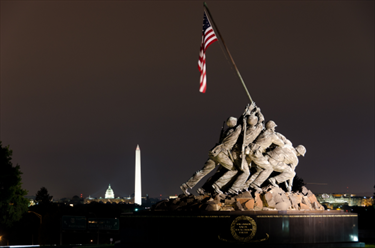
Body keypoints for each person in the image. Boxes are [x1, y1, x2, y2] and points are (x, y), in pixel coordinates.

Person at [180, 116, 242, 196]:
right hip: (222, 154)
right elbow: (241, 125)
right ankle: (217, 185)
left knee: (203, 171)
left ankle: (186, 185)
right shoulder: (235, 131)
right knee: (234, 169)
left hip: (215, 152)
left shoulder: (226, 131)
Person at [210, 107, 265, 194]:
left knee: (235, 169)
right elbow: (262, 120)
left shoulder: (242, 129)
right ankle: (233, 189)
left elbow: (241, 122)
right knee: (246, 172)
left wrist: (249, 112)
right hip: (240, 154)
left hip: (233, 152)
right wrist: (258, 111)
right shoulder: (256, 129)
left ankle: (218, 185)